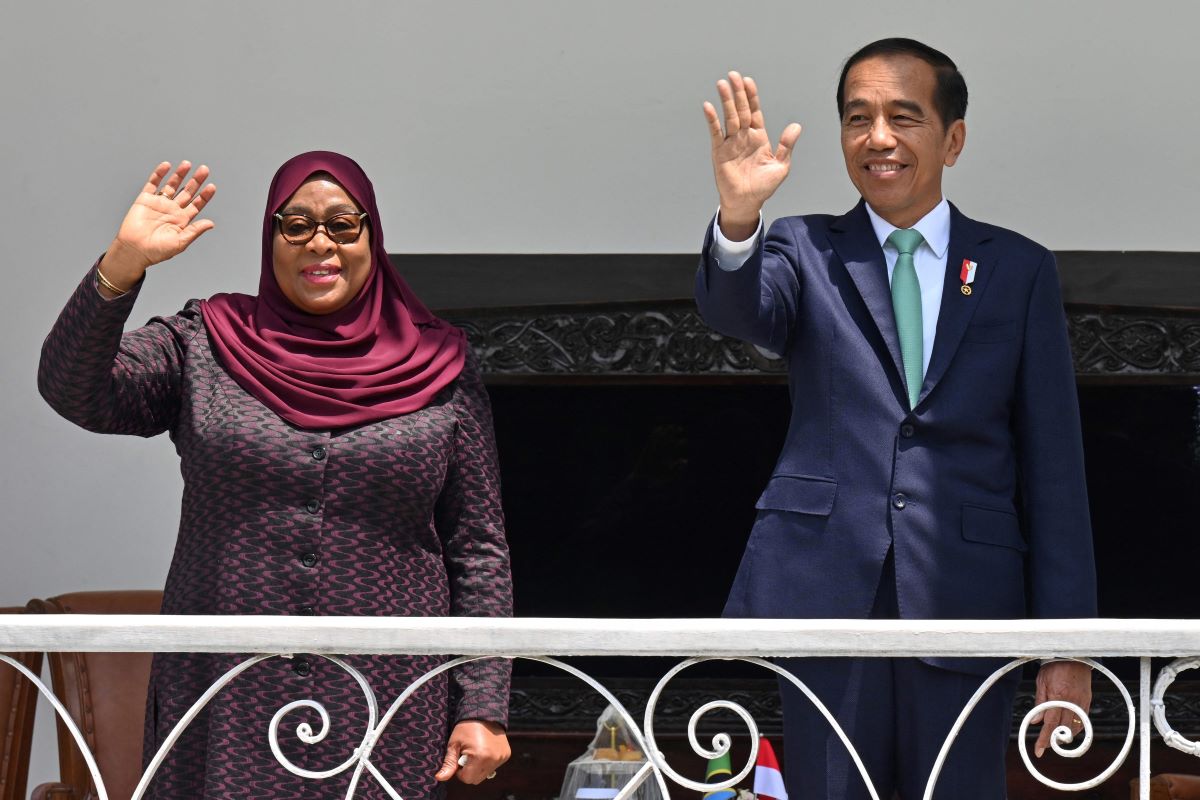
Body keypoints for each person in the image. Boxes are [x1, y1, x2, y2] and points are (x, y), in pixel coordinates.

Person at [38, 151, 513, 799]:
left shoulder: (443, 364)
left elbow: (477, 546)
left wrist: (482, 704)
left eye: (343, 224)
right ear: (271, 239)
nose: (320, 242)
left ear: (372, 237)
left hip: (390, 696)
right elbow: (74, 390)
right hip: (224, 694)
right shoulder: (205, 343)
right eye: (297, 225)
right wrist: (122, 265)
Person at [695, 39, 1096, 799]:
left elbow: (1055, 465)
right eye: (858, 118)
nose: (877, 137)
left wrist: (1067, 640)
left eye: (903, 117)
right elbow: (738, 311)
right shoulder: (804, 247)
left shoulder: (1017, 268)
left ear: (953, 138)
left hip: (968, 596)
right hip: (825, 589)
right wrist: (741, 216)